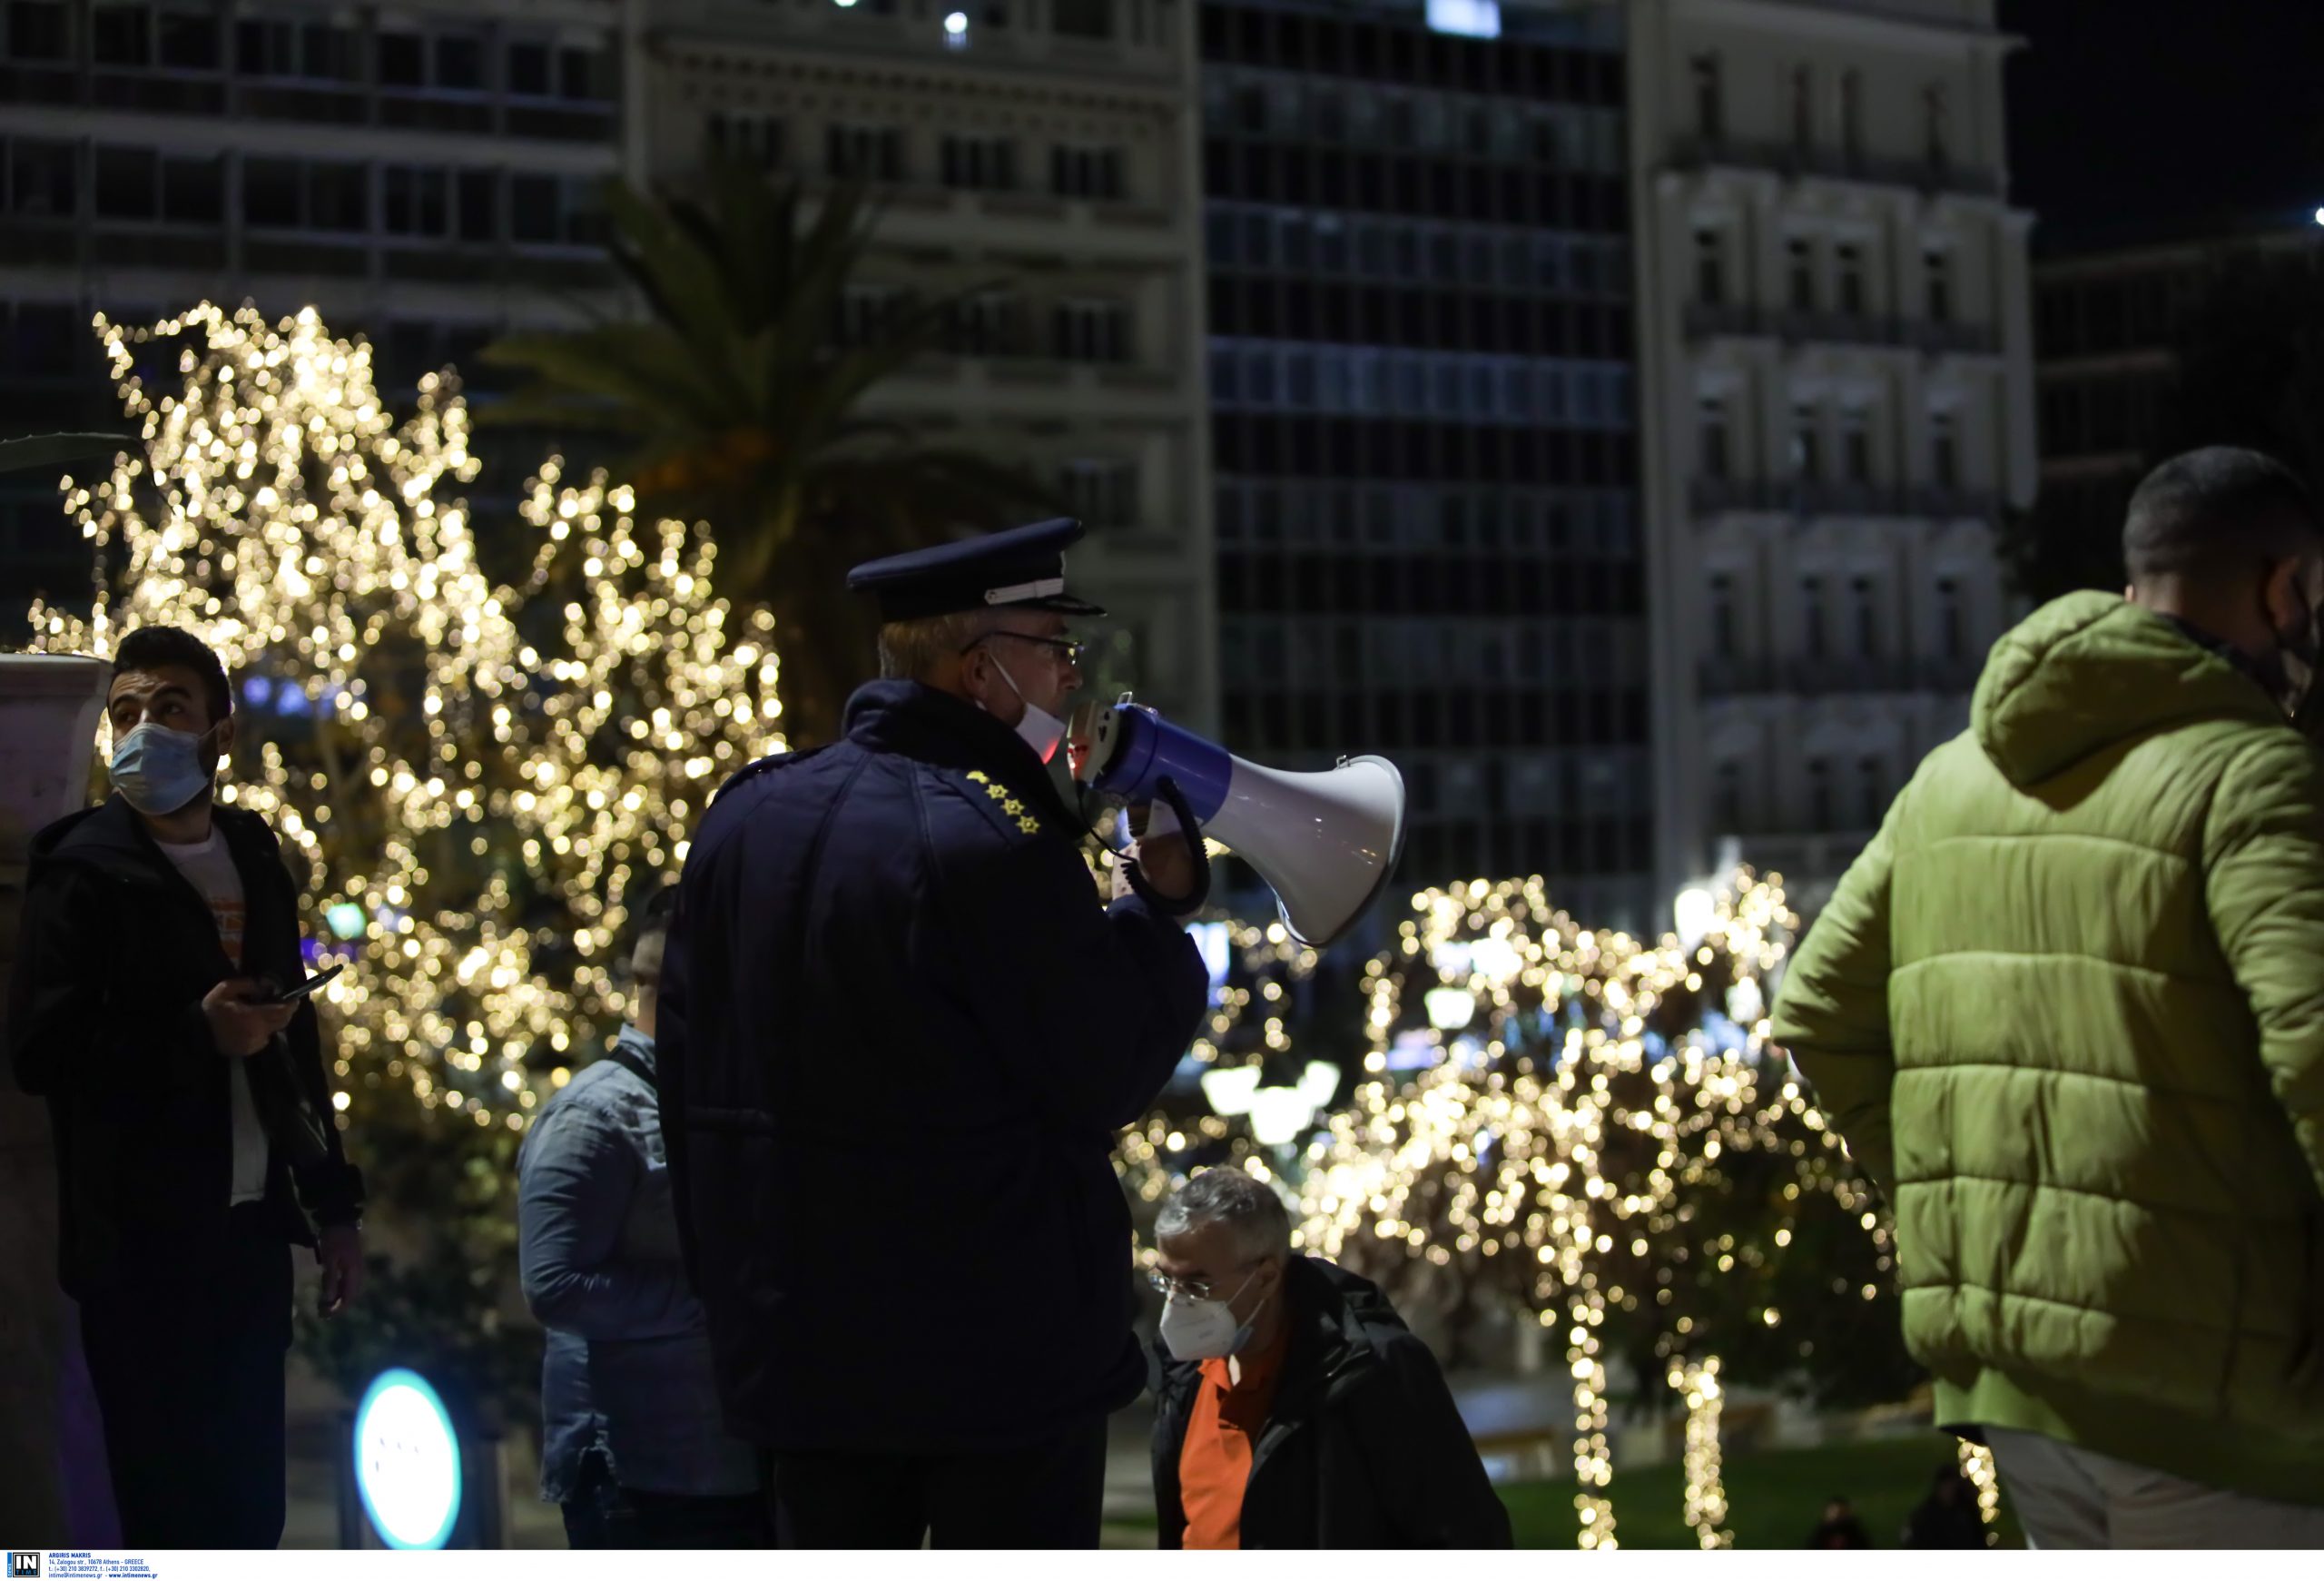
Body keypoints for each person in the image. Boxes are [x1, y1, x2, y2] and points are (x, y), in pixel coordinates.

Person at [1771, 447, 2324, 1548]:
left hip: (2020, 1398)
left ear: (2134, 588)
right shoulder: (2249, 772)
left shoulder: (1948, 779)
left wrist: (1952, 1212)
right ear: (2282, 589)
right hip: (2226, 1402)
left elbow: (1816, 1014)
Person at [660, 519, 1211, 1548]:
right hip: (989, 1371)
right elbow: (1102, 1068)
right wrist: (1150, 914)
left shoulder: (745, 815)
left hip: (796, 1356)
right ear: (980, 671)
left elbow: (688, 1073)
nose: (1065, 678)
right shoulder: (990, 839)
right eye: (1051, 649)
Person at [7, 624, 366, 1548]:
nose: (142, 730)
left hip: (247, 1232)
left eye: (169, 708)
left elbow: (296, 1044)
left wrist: (332, 1204)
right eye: (125, 711)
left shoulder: (254, 857)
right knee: (163, 1514)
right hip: (139, 1246)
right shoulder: (78, 868)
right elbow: (45, 1051)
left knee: (251, 1510)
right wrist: (193, 1033)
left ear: (220, 733)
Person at [517, 884, 764, 1549]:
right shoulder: (593, 1117)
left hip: (733, 1464)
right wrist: (721, 1299)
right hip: (640, 1479)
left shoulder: (713, 1100)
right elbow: (555, 1285)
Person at [1147, 1167, 1511, 1549]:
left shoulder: (1370, 1370)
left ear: (1266, 1277)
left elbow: (1466, 1538)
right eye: (1165, 1280)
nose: (1175, 1301)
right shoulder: (1184, 1374)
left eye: (1196, 1284)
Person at [1901, 1464, 1985, 1549]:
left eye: (1951, 1486)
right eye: (1946, 1487)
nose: (1949, 1491)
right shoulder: (1926, 1515)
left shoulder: (1966, 1510)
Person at [1805, 1497, 1872, 1549]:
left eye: (1841, 1513)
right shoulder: (1822, 1532)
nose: (1837, 1516)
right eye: (1833, 1512)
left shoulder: (1854, 1531)